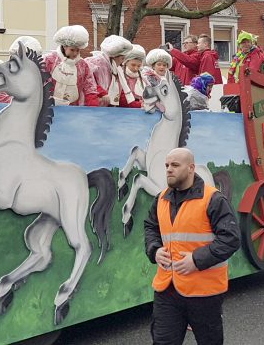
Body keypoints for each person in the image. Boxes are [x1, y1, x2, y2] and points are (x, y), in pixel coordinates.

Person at [144, 147, 240, 345]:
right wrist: (154, 249)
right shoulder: (161, 199)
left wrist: (196, 260)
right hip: (167, 291)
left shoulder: (213, 199)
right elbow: (150, 227)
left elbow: (231, 238)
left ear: (191, 168)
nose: (169, 169)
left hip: (204, 293)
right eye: (167, 165)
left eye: (175, 165)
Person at [43, 26, 99, 107]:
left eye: (78, 50)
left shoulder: (82, 65)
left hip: (72, 111)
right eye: (72, 50)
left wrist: (93, 108)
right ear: (64, 46)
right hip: (49, 108)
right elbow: (40, 84)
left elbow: (90, 88)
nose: (75, 53)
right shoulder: (49, 60)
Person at [87, 35, 133, 107]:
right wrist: (101, 92)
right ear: (114, 56)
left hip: (103, 108)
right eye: (122, 58)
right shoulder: (97, 63)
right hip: (90, 107)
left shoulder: (115, 70)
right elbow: (88, 82)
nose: (123, 62)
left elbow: (121, 92)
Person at [119, 45, 149, 109]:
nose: (136, 68)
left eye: (139, 66)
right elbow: (122, 100)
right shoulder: (120, 76)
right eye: (133, 65)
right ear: (126, 62)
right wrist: (139, 104)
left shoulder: (143, 78)